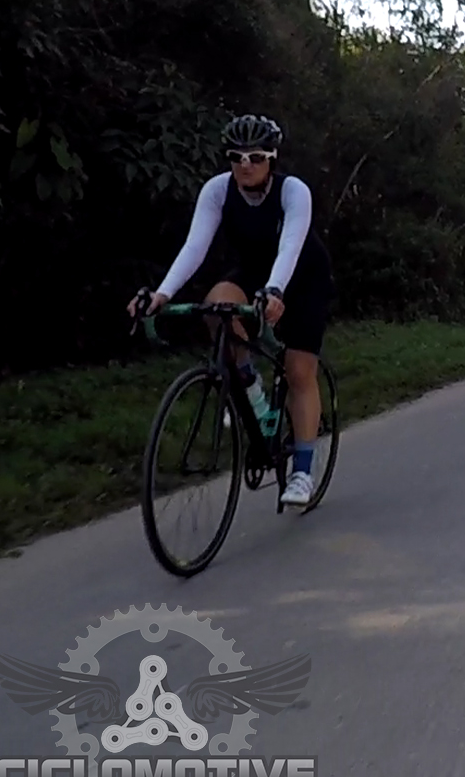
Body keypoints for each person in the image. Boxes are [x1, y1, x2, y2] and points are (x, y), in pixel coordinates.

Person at [128, 115, 335, 507]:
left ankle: (303, 472)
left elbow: (291, 246)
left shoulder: (293, 191)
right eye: (236, 157)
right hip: (255, 274)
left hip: (303, 278)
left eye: (255, 157)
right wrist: (162, 294)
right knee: (215, 305)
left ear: (271, 158)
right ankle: (251, 393)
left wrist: (275, 290)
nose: (245, 164)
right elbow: (195, 246)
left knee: (298, 371)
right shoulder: (217, 190)